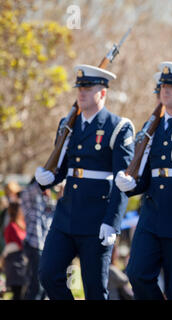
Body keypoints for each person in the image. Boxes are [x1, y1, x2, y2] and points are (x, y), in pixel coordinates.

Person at [34, 64, 135, 300]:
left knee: (95, 289)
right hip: (66, 216)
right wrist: (48, 178)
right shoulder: (67, 124)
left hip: (97, 219)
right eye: (79, 87)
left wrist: (112, 221)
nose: (81, 92)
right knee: (48, 273)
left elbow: (123, 180)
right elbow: (63, 167)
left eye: (88, 88)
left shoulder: (117, 127)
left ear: (103, 93)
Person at [115, 62, 172, 299]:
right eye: (164, 85)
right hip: (152, 215)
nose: (166, 89)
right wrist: (131, 185)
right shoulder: (151, 126)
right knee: (136, 274)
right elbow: (148, 175)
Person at [19, 178, 56, 300]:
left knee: (45, 284)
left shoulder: (46, 200)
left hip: (45, 246)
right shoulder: (29, 195)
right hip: (34, 245)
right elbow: (35, 188)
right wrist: (46, 179)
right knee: (37, 285)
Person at [1, 201, 27, 300]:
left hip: (22, 262)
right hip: (15, 263)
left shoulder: (22, 225)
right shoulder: (12, 227)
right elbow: (20, 243)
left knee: (23, 292)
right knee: (18, 292)